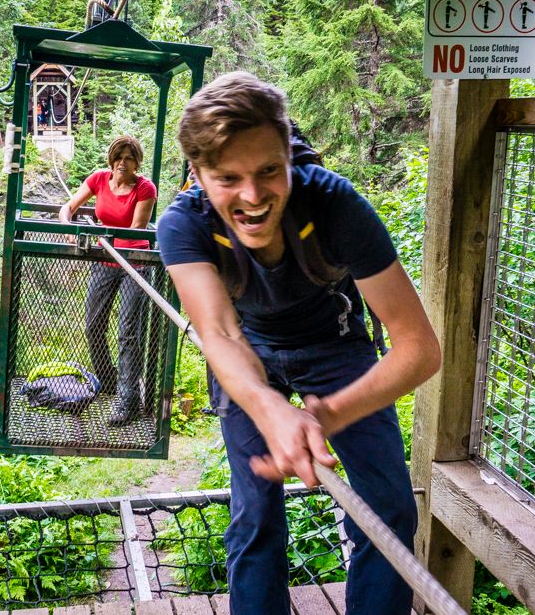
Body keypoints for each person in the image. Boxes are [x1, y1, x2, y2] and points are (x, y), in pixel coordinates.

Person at [156, 72, 441, 615]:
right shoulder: (182, 226)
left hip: (335, 347)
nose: (252, 196)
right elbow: (218, 333)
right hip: (247, 352)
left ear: (289, 155)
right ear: (198, 175)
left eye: (268, 171)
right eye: (228, 178)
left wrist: (324, 417)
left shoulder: (335, 206)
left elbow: (419, 346)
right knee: (255, 511)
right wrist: (268, 409)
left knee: (388, 509)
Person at [59, 136, 159, 426]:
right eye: (118, 157)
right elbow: (68, 208)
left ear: (136, 162)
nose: (122, 163)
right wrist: (70, 229)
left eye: (128, 158)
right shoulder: (99, 179)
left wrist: (106, 236)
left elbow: (136, 229)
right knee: (93, 324)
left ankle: (127, 402)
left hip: (135, 262)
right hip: (105, 261)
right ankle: (109, 379)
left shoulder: (144, 188)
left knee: (128, 332)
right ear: (111, 159)